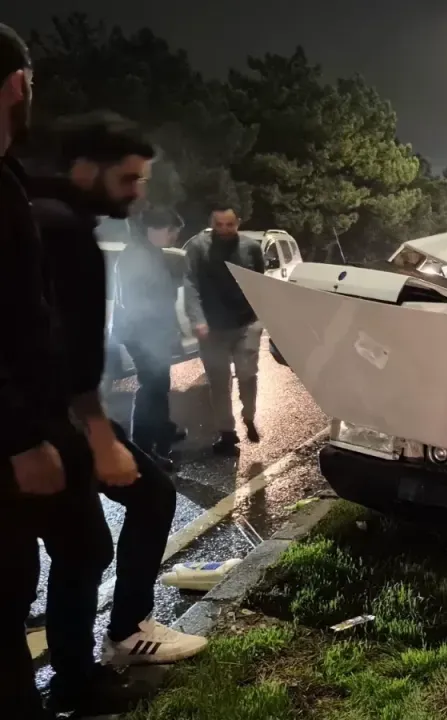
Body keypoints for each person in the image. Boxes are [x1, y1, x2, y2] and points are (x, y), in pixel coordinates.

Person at [0, 29, 144, 717]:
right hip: (25, 425)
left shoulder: (18, 185)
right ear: (17, 84)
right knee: (28, 573)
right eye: (129, 180)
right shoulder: (45, 215)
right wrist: (25, 437)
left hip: (39, 418)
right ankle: (72, 678)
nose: (136, 194)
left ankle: (74, 675)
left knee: (71, 550)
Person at [33, 112, 208, 669]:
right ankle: (102, 653)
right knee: (95, 539)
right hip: (47, 417)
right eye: (128, 179)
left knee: (87, 542)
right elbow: (58, 342)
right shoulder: (58, 227)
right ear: (87, 168)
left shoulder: (46, 212)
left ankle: (91, 657)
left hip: (50, 414)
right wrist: (99, 433)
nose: (137, 193)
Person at [184, 206, 267, 454]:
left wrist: (262, 315)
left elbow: (260, 283)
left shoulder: (251, 248)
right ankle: (227, 433)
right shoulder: (198, 247)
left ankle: (249, 416)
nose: (224, 229)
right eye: (218, 224)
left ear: (238, 223)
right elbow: (190, 284)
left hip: (246, 323)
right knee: (219, 382)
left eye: (229, 224)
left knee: (248, 374)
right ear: (212, 223)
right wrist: (197, 319)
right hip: (212, 328)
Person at [116, 208, 187, 469]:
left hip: (154, 333)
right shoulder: (136, 256)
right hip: (143, 335)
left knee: (159, 385)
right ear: (155, 229)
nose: (174, 237)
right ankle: (143, 449)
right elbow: (137, 302)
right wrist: (158, 333)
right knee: (151, 388)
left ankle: (162, 431)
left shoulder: (150, 252)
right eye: (171, 231)